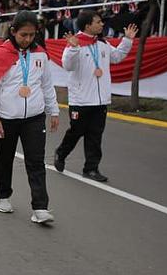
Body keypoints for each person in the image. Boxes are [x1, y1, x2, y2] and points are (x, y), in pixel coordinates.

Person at [0, 11, 60, 223]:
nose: (27, 39)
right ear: (13, 32)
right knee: (4, 158)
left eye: (32, 35)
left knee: (36, 161)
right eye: (23, 35)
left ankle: (40, 207)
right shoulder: (3, 54)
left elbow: (46, 85)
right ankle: (3, 195)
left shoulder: (40, 55)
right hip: (7, 118)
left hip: (34, 117)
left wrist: (53, 111)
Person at [53, 12, 136, 181]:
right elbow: (67, 66)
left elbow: (117, 57)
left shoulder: (102, 43)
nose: (101, 24)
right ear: (87, 25)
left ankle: (91, 168)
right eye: (98, 22)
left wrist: (127, 40)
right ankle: (61, 154)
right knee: (76, 131)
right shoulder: (75, 43)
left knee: (95, 135)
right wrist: (74, 49)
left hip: (100, 100)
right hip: (81, 100)